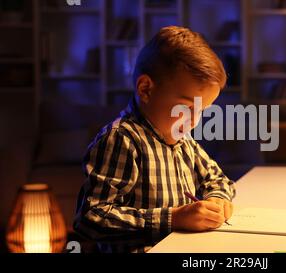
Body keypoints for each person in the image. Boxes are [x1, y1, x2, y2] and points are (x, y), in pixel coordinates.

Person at [73, 26, 236, 253]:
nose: (194, 121)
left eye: (203, 110)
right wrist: (173, 218)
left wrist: (217, 199)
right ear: (146, 89)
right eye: (187, 107)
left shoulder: (182, 139)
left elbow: (218, 179)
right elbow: (90, 218)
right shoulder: (122, 139)